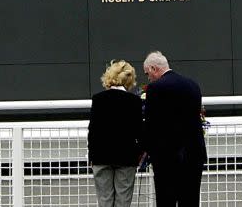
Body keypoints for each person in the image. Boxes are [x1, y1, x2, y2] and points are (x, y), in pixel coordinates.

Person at [141, 51, 206, 207]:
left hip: (166, 158)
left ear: (154, 68)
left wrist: (145, 149)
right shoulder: (193, 85)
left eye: (147, 73)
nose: (148, 78)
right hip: (193, 155)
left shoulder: (155, 88)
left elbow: (151, 124)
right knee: (190, 201)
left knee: (166, 201)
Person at [88, 60, 143, 207]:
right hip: (126, 157)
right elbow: (140, 132)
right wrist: (138, 153)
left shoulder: (98, 99)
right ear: (129, 79)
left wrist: (92, 156)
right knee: (123, 201)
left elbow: (93, 131)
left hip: (101, 156)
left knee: (105, 201)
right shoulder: (134, 101)